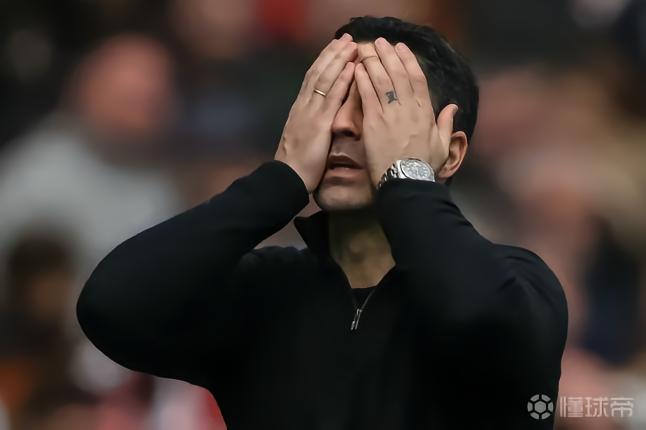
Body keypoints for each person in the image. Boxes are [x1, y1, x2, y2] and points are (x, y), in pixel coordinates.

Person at [76, 17, 568, 429]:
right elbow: (111, 306)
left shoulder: (519, 283)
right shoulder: (263, 291)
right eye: (328, 101)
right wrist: (282, 178)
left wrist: (407, 175)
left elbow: (481, 319)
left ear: (450, 152)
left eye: (379, 106)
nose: (342, 124)